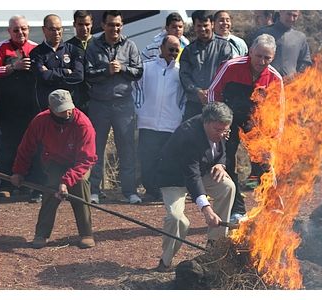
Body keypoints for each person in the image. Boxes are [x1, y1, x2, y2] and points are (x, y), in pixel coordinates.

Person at [208, 33, 283, 223]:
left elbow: (279, 111)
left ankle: (270, 208)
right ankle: (236, 209)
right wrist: (216, 123)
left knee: (263, 164)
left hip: (255, 123)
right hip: (228, 119)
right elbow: (212, 92)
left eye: (267, 58)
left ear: (273, 57)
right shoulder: (231, 66)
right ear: (251, 51)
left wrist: (272, 140)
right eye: (259, 56)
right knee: (228, 162)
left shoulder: (274, 77)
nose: (262, 61)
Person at [10, 89, 98, 249]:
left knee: (80, 186)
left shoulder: (83, 124)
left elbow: (86, 159)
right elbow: (26, 148)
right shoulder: (40, 121)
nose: (67, 113)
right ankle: (42, 234)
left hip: (79, 162)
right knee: (52, 188)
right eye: (61, 111)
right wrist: (18, 172)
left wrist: (67, 181)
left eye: (68, 108)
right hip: (54, 160)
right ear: (51, 109)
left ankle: (86, 233)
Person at [155, 102, 236, 271]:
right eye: (217, 130)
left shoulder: (220, 128)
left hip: (202, 170)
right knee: (177, 219)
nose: (221, 134)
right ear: (205, 122)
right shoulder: (189, 135)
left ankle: (215, 245)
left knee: (227, 187)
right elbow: (192, 177)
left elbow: (222, 149)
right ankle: (166, 261)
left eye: (225, 130)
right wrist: (206, 209)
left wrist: (220, 164)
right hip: (175, 178)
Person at [85, 10, 143, 204]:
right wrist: (106, 71)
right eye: (111, 24)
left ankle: (130, 192)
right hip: (99, 104)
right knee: (96, 149)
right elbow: (88, 74)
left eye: (118, 24)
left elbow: (138, 71)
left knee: (127, 149)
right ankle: (94, 191)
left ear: (122, 25)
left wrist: (123, 68)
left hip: (123, 104)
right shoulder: (93, 45)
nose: (115, 28)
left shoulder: (130, 45)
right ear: (103, 25)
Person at [134, 35, 186, 201]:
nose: (173, 53)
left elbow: (183, 97)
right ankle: (151, 191)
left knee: (167, 160)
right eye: (170, 49)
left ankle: (165, 192)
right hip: (147, 123)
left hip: (171, 124)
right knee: (147, 159)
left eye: (176, 50)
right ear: (161, 48)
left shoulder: (180, 71)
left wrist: (179, 113)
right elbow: (136, 89)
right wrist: (140, 110)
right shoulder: (147, 67)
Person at [0, 15, 39, 200]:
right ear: (9, 31)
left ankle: (29, 184)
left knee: (30, 146)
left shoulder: (35, 48)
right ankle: (6, 184)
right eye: (16, 30)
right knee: (7, 146)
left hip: (30, 108)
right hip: (7, 109)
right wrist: (13, 67)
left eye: (23, 29)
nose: (20, 33)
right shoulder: (2, 47)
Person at [179, 10, 233, 121]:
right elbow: (184, 75)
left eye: (205, 25)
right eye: (199, 26)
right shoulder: (188, 50)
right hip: (194, 104)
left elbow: (227, 73)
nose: (202, 29)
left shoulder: (224, 47)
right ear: (194, 26)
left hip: (217, 104)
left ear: (212, 25)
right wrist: (197, 91)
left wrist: (211, 92)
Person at [30, 14, 84, 111]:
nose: (57, 33)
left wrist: (51, 72)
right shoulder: (36, 53)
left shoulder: (73, 50)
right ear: (44, 29)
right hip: (47, 106)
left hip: (70, 105)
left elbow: (79, 76)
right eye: (52, 29)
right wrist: (66, 72)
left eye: (59, 29)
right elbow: (42, 77)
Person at [251, 10, 312, 82]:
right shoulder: (263, 33)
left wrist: (296, 77)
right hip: (264, 83)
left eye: (295, 16)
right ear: (281, 12)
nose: (291, 18)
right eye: (289, 14)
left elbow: (305, 62)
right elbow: (250, 57)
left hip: (289, 87)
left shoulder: (300, 37)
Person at [66, 10, 94, 114]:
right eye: (80, 24)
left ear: (92, 23)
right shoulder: (67, 46)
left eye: (87, 24)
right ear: (74, 24)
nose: (84, 28)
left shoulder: (100, 44)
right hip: (76, 101)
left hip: (98, 101)